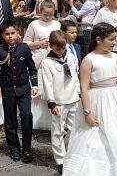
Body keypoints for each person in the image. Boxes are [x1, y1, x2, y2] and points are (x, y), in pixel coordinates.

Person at [62, 22, 117, 175]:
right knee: (96, 134)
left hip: (116, 99)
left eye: (114, 39)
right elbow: (84, 88)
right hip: (98, 100)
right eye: (111, 40)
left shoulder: (115, 56)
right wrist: (87, 112)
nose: (114, 43)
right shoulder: (89, 60)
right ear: (98, 39)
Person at [0, 20, 38, 162]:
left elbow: (32, 68)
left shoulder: (24, 49)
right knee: (10, 121)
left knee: (27, 116)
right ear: (2, 35)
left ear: (17, 33)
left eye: (13, 33)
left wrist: (34, 84)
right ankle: (14, 149)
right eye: (7, 34)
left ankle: (27, 149)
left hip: (24, 89)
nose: (10, 36)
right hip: (8, 90)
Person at [41, 30, 80, 175]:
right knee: (58, 130)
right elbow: (47, 83)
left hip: (73, 98)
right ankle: (61, 160)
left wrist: (79, 92)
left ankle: (69, 153)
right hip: (59, 101)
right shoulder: (48, 62)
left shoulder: (70, 57)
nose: (60, 50)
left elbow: (75, 76)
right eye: (57, 47)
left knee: (72, 128)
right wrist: (51, 103)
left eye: (63, 47)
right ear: (51, 46)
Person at [23, 0, 61, 130]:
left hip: (53, 58)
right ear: (40, 12)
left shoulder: (57, 24)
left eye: (51, 14)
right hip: (38, 58)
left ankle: (52, 120)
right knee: (38, 87)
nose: (48, 17)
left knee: (52, 86)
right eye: (45, 14)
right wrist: (38, 44)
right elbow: (25, 42)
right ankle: (36, 121)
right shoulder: (34, 24)